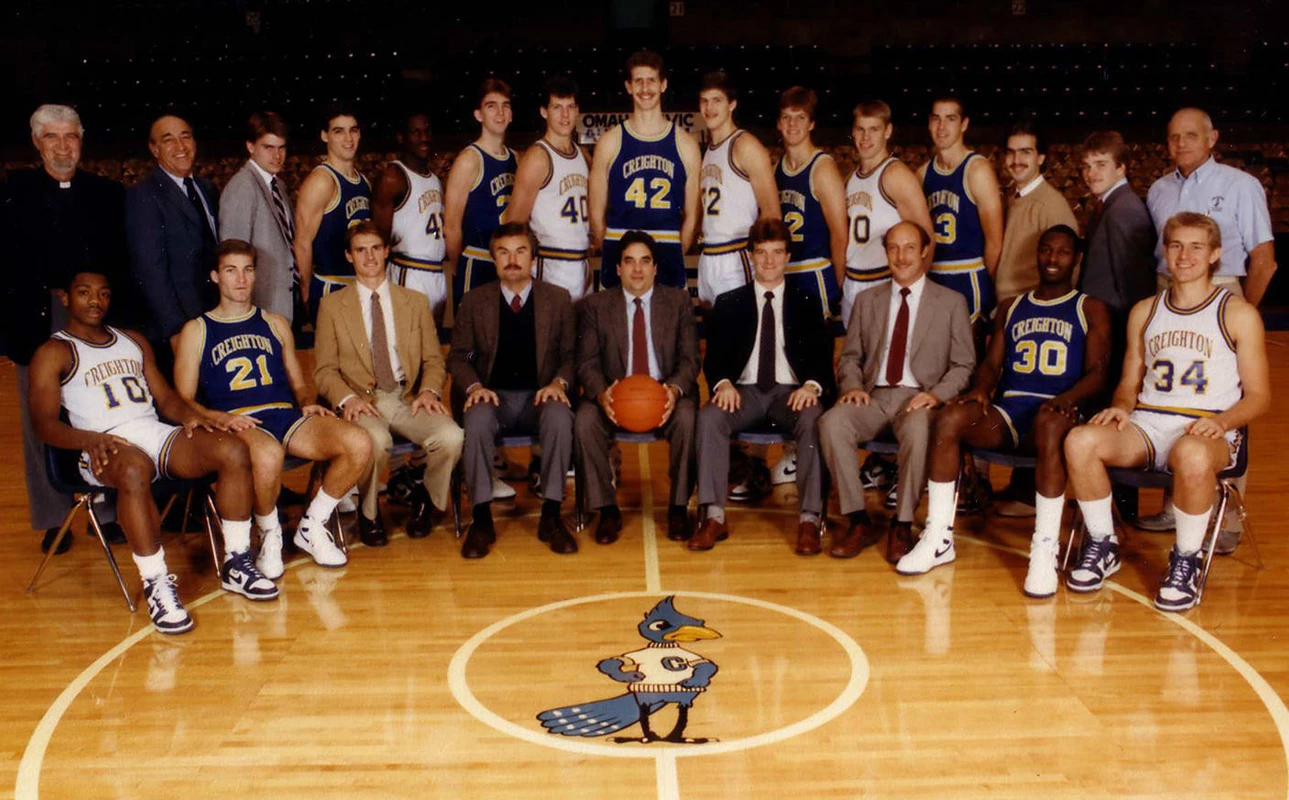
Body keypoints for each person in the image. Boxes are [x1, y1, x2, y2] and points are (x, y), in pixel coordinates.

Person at [28, 270, 269, 635]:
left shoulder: (133, 341)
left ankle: (237, 562)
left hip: (153, 433)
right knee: (134, 471)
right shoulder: (54, 351)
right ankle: (157, 584)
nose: (96, 301)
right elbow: (43, 425)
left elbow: (167, 399)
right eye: (84, 292)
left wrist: (192, 419)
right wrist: (88, 440)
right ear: (65, 298)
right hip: (104, 444)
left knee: (232, 450)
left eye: (104, 294)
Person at [1063, 212, 1270, 612]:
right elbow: (1128, 382)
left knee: (1191, 452)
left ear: (1215, 254)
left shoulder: (1238, 313)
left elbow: (1260, 396)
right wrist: (1121, 408)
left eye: (1196, 247)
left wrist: (1222, 422)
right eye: (1176, 245)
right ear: (1165, 251)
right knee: (1080, 440)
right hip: (1149, 420)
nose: (1184, 255)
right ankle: (1103, 543)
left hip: (1209, 426)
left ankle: (1186, 560)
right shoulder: (1146, 311)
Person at [894, 226, 1110, 598]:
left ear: (1076, 259)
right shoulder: (1012, 307)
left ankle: (1044, 549)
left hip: (1057, 414)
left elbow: (1099, 372)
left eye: (1062, 252)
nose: (1052, 259)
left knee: (1048, 422)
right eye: (1046, 250)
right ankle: (939, 536)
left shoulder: (1088, 307)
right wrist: (979, 388)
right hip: (1010, 412)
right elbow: (992, 365)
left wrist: (1069, 398)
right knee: (950, 417)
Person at [173, 239, 373, 574]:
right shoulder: (198, 329)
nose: (241, 279)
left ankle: (312, 525)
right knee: (267, 454)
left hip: (285, 415)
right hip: (239, 422)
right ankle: (269, 534)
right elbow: (184, 399)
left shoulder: (275, 323)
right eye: (231, 270)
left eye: (248, 270)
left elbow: (298, 385)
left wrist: (308, 403)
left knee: (359, 442)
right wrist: (218, 418)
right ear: (215, 276)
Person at [1139, 108, 1278, 541]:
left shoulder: (1241, 185)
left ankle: (1226, 518)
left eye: (1191, 136)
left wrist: (1240, 317)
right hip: (1171, 291)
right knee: (1173, 399)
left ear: (1213, 137)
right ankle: (1174, 505)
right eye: (1174, 137)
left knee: (1226, 410)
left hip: (1222, 293)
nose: (1181, 144)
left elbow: (1264, 259)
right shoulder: (1159, 190)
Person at [3, 103, 128, 554]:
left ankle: (110, 510)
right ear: (37, 143)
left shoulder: (107, 193)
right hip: (35, 319)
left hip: (96, 315)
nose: (62, 147)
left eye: (70, 137)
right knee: (42, 419)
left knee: (103, 412)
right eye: (52, 137)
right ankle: (54, 518)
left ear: (81, 140)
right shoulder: (12, 192)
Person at [819, 221, 975, 562]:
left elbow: (964, 364)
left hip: (920, 398)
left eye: (908, 248)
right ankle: (858, 520)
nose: (901, 256)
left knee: (919, 430)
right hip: (874, 397)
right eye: (893, 248)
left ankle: (902, 524)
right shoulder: (866, 300)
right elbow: (850, 357)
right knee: (832, 422)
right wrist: (853, 386)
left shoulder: (951, 302)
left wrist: (936, 395)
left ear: (924, 252)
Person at [313, 222, 463, 546]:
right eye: (360, 250)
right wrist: (347, 400)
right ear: (349, 256)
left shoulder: (415, 301)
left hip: (407, 396)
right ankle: (370, 514)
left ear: (386, 251)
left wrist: (429, 390)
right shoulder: (332, 306)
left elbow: (434, 361)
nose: (369, 256)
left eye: (375, 248)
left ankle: (427, 499)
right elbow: (324, 370)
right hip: (363, 400)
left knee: (451, 436)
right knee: (376, 441)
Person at [692, 218, 835, 554]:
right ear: (751, 256)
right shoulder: (730, 303)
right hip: (745, 393)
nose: (769, 261)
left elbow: (821, 359)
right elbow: (714, 360)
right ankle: (713, 515)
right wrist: (724, 383)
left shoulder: (807, 301)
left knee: (814, 418)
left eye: (777, 253)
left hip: (791, 395)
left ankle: (809, 519)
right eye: (761, 253)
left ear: (787, 257)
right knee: (710, 417)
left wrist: (811, 387)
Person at [448, 223, 577, 559]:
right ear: (493, 259)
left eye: (520, 251)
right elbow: (458, 357)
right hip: (494, 397)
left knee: (560, 416)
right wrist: (475, 387)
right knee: (475, 418)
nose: (512, 259)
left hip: (540, 396)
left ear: (533, 257)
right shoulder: (475, 301)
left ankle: (551, 515)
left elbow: (571, 356)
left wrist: (558, 383)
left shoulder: (558, 299)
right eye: (504, 252)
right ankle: (481, 519)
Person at [575, 231, 700, 545]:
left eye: (645, 261)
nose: (637, 270)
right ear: (617, 269)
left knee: (687, 416)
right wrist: (602, 393)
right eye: (629, 262)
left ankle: (678, 506)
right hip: (615, 395)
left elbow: (689, 360)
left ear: (656, 267)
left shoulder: (678, 302)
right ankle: (606, 509)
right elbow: (586, 362)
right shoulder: (596, 305)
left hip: (664, 394)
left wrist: (673, 390)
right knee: (585, 419)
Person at [590, 50, 702, 291]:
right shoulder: (610, 141)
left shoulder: (685, 143)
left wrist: (675, 248)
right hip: (620, 249)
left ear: (663, 85)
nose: (645, 88)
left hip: (667, 250)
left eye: (651, 80)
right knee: (615, 327)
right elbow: (596, 214)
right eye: (638, 81)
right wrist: (610, 246)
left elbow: (692, 216)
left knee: (667, 327)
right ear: (628, 87)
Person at [125, 114, 219, 369]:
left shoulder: (206, 189)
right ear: (154, 149)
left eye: (185, 137)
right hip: (177, 328)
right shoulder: (144, 196)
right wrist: (176, 330)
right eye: (169, 140)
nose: (180, 147)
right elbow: (151, 270)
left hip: (211, 319)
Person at [842, 99, 934, 326]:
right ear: (853, 132)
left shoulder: (895, 174)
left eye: (874, 129)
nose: (866, 138)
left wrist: (911, 289)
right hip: (853, 281)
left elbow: (927, 239)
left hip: (884, 279)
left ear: (888, 131)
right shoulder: (851, 178)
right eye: (860, 129)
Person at [918, 97, 1004, 331]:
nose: (941, 127)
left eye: (950, 119)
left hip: (968, 276)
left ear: (964, 124)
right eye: (936, 118)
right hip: (934, 276)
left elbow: (995, 242)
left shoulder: (977, 170)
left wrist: (989, 287)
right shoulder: (922, 174)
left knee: (967, 360)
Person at [694, 70, 778, 306]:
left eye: (717, 100)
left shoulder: (745, 145)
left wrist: (764, 263)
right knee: (713, 337)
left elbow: (772, 213)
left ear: (732, 104)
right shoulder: (708, 150)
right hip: (709, 254)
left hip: (737, 254)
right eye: (705, 101)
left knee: (740, 335)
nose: (709, 108)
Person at [508, 76, 594, 301]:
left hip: (582, 263)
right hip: (551, 262)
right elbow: (514, 224)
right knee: (552, 335)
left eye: (569, 107)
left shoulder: (583, 155)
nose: (565, 116)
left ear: (577, 111)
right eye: (557, 107)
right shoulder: (538, 157)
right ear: (544, 112)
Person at [774, 86, 848, 320]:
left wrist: (836, 286)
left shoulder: (822, 167)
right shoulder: (777, 168)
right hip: (784, 273)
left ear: (811, 124)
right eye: (786, 117)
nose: (792, 124)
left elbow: (839, 235)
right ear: (778, 123)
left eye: (800, 118)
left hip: (814, 272)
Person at [293, 106, 370, 322]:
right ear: (324, 136)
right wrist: (307, 293)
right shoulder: (322, 181)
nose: (348, 138)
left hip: (359, 286)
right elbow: (302, 243)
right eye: (338, 131)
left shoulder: (363, 181)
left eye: (353, 130)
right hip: (331, 285)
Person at [444, 79, 517, 308]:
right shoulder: (469, 159)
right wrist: (461, 266)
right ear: (478, 115)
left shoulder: (516, 158)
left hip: (510, 265)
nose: (500, 112)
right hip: (478, 261)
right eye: (491, 106)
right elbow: (451, 226)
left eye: (505, 105)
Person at [218, 111, 296, 321]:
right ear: (250, 146)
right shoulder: (242, 188)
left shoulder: (277, 184)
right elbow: (233, 262)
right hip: (259, 309)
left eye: (281, 148)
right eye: (268, 147)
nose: (277, 156)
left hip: (284, 303)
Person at [372, 111, 447, 325]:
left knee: (433, 348)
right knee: (407, 348)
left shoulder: (435, 179)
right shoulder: (393, 178)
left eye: (427, 131)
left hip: (436, 273)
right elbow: (378, 240)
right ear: (401, 137)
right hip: (408, 272)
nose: (424, 137)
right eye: (415, 132)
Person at [996, 121, 1078, 304]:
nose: (1016, 160)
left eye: (1025, 152)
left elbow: (1069, 271)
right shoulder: (1013, 199)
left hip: (1031, 312)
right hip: (1007, 308)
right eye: (1011, 152)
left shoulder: (1050, 206)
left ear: (1040, 158)